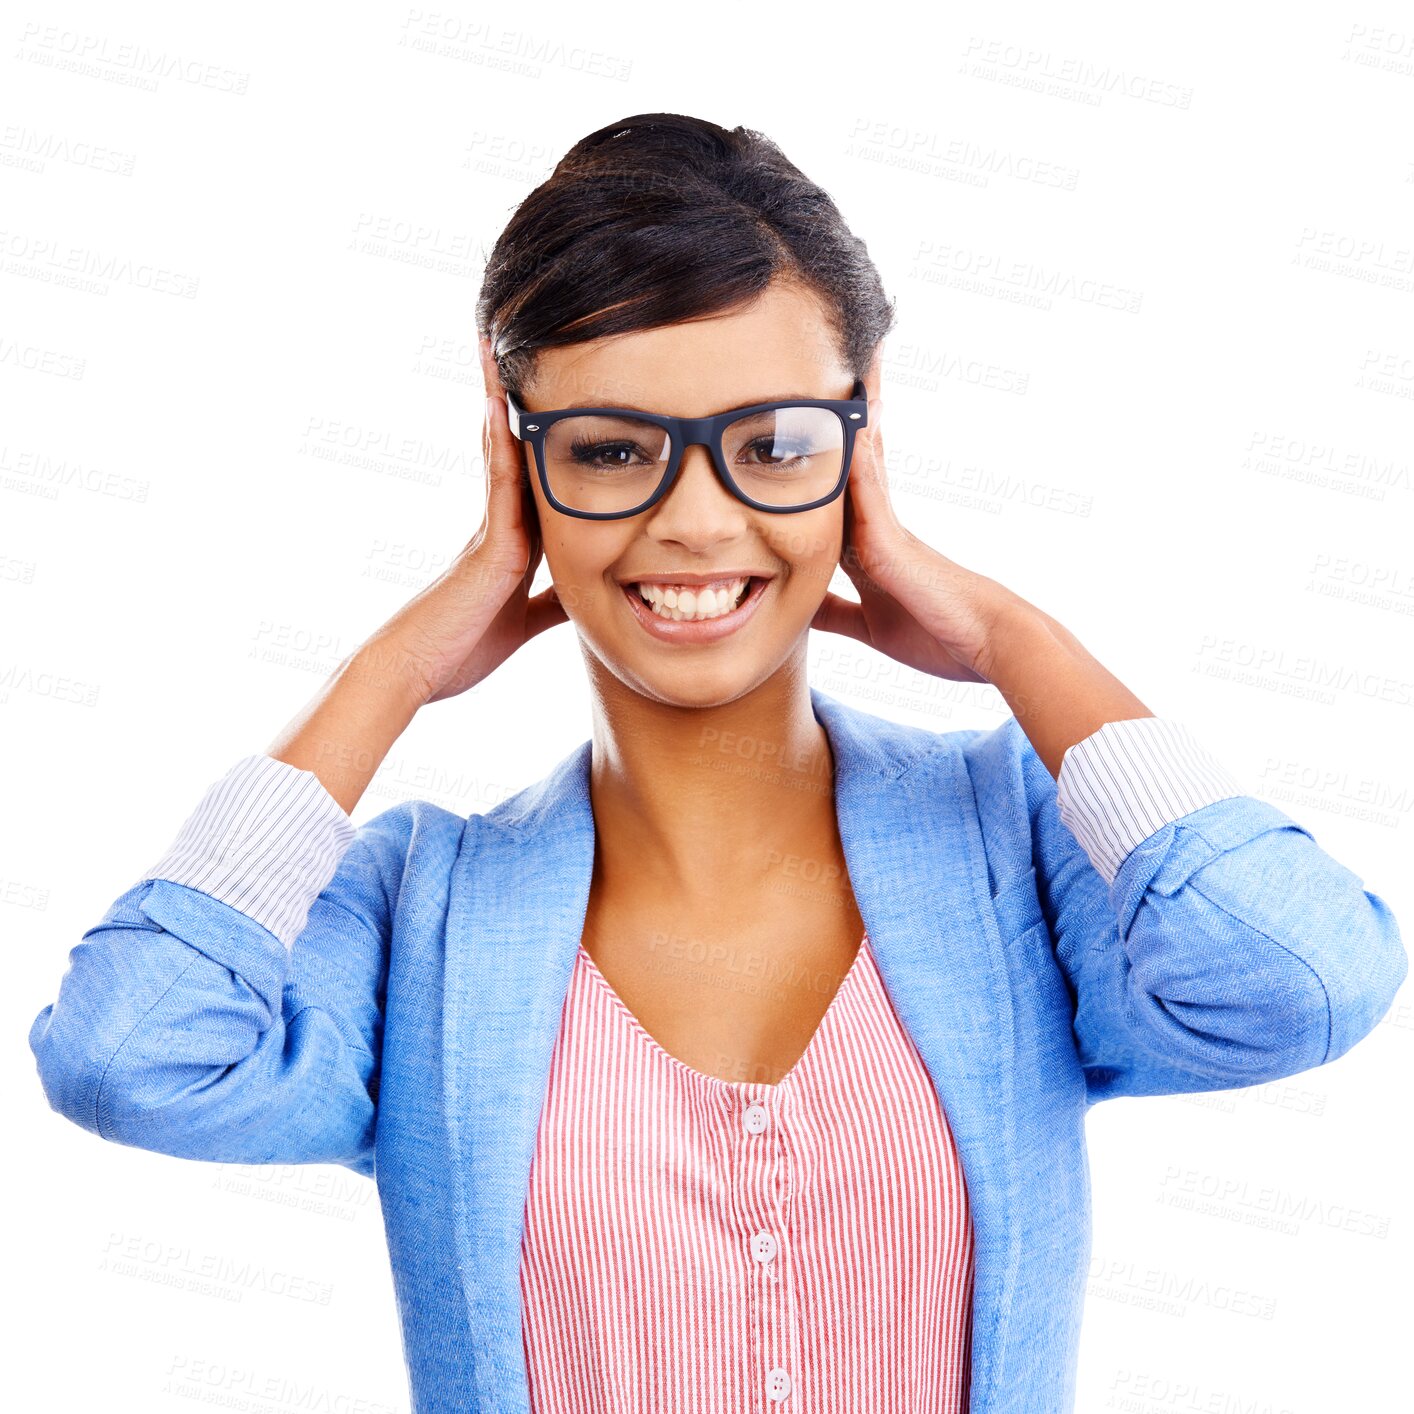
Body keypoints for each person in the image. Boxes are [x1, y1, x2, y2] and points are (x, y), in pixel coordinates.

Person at [28, 113, 1407, 1414]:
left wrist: (1010, 639)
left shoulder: (1018, 847)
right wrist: (387, 675)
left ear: (861, 434)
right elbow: (126, 1052)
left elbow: (1300, 982)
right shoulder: (419, 914)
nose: (696, 519)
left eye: (773, 444)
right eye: (613, 448)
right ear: (518, 466)